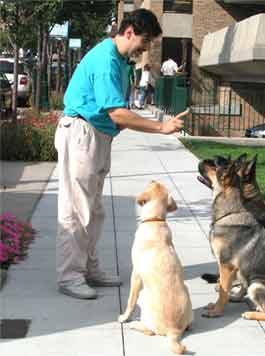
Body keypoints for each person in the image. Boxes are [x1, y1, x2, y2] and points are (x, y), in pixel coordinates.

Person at [54, 9, 188, 300]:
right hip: (82, 134)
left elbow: (115, 115)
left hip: (95, 136)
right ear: (129, 32)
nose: (146, 49)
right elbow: (117, 113)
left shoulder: (116, 60)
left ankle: (88, 268)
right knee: (77, 210)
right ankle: (70, 276)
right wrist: (160, 127)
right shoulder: (106, 60)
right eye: (145, 41)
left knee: (94, 211)